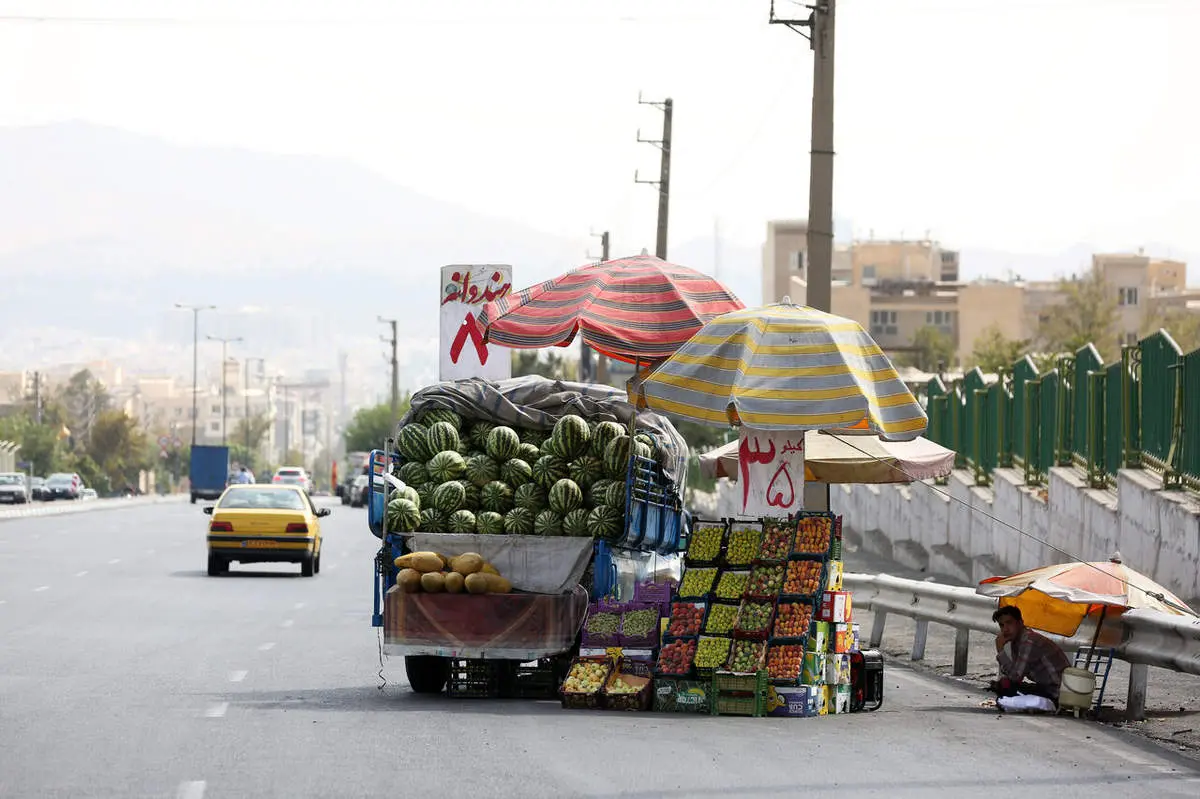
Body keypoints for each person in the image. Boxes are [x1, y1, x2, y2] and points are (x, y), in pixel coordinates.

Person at [989, 605, 1070, 702]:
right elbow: (1015, 674)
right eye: (1001, 625)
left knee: (1008, 692)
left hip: (1056, 693)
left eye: (1009, 623)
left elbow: (1015, 677)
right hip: (1047, 688)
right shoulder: (1016, 641)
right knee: (1004, 687)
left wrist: (1001, 651)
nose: (1005, 629)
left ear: (1020, 623)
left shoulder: (1028, 641)